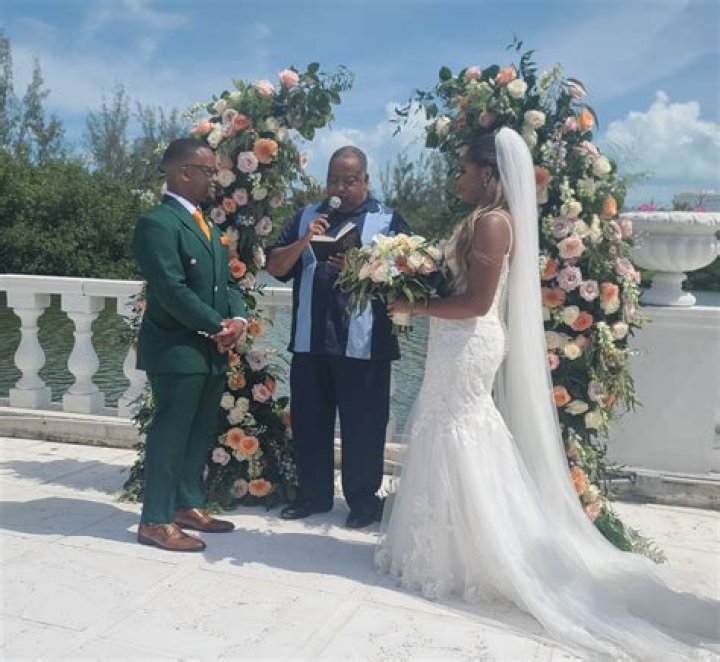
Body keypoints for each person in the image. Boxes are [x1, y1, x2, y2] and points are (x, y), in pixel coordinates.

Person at [376, 128, 719, 657]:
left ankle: (479, 551)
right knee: (445, 429)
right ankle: (444, 546)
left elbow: (476, 303)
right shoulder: (480, 220)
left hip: (468, 339)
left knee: (459, 431)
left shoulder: (493, 223)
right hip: (454, 340)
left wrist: (411, 306)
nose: (457, 178)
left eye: (464, 170)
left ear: (488, 174)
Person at [266, 146, 410, 529]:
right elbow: (275, 265)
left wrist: (362, 266)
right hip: (310, 341)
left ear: (366, 181)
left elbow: (412, 276)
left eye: (350, 181)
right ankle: (312, 495)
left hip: (365, 345)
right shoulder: (307, 217)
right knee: (309, 423)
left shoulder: (388, 221)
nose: (341, 189)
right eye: (334, 180)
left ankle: (363, 502)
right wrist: (303, 241)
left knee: (364, 427)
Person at [131, 138, 247, 552]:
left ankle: (185, 504)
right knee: (171, 433)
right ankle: (155, 520)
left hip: (209, 349)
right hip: (176, 349)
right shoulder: (157, 224)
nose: (215, 179)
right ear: (183, 172)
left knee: (198, 432)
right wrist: (218, 324)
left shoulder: (205, 225)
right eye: (209, 171)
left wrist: (238, 320)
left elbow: (227, 284)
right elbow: (171, 290)